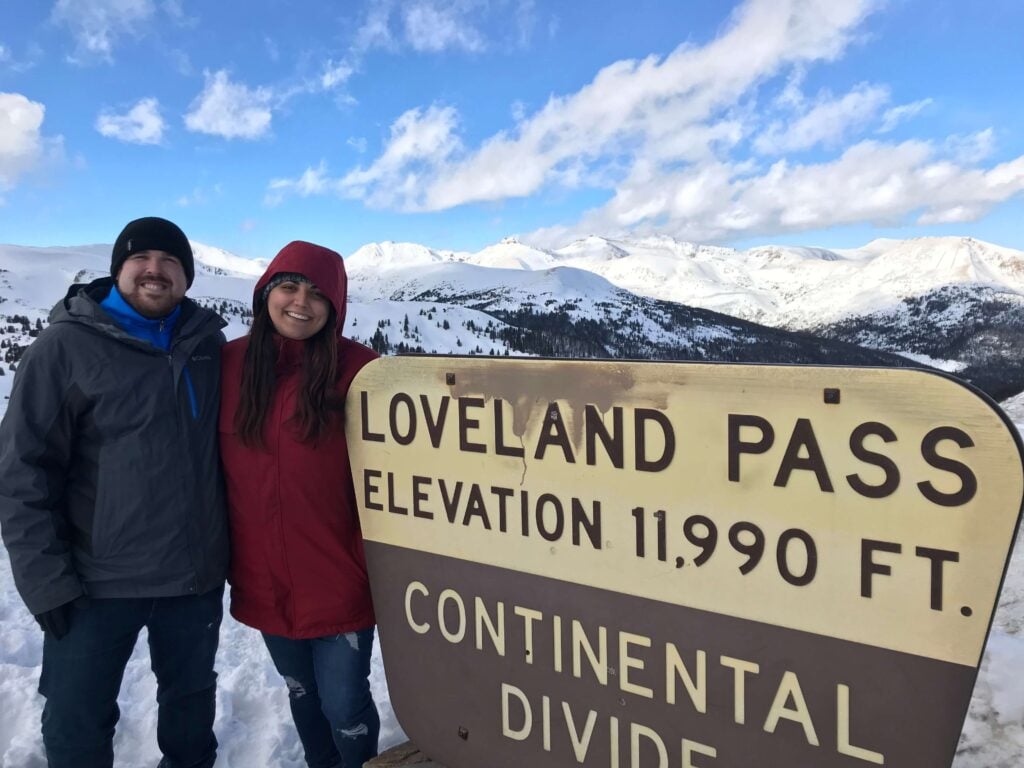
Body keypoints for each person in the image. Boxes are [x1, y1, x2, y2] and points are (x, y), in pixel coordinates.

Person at [0, 216, 229, 767]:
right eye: (141, 259)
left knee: (191, 715)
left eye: (170, 261)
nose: (155, 270)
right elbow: (21, 471)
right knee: (77, 722)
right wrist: (46, 583)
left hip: (193, 578)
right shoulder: (65, 348)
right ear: (118, 271)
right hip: (93, 582)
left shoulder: (207, 345)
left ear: (188, 276)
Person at [219, 240, 380, 768]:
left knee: (344, 705)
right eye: (289, 286)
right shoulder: (229, 365)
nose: (300, 303)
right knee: (301, 694)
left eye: (318, 294)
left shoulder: (364, 372)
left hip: (340, 579)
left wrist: (367, 561)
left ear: (336, 307)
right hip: (265, 578)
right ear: (266, 292)